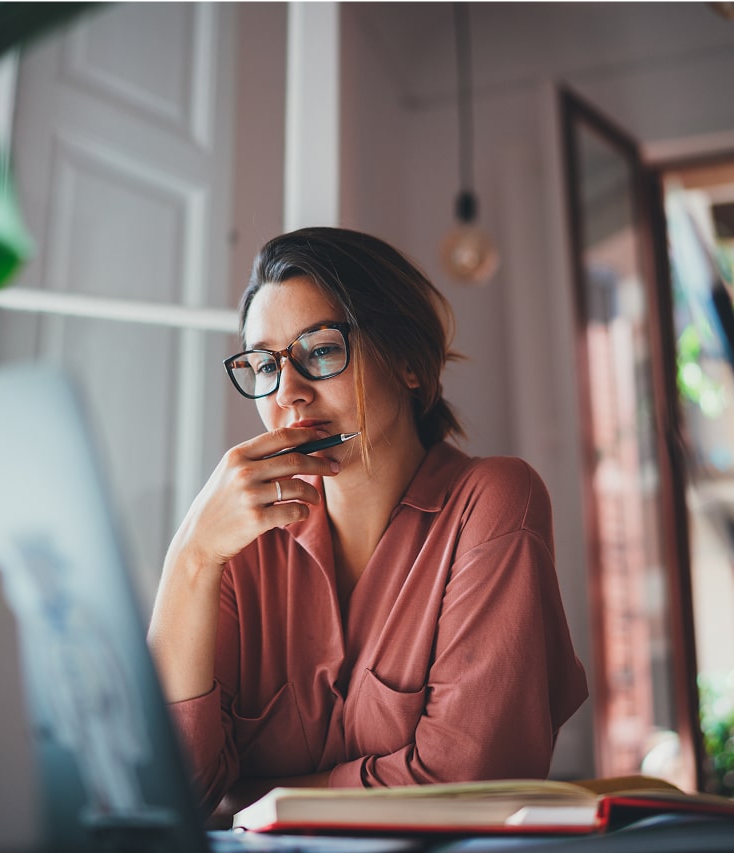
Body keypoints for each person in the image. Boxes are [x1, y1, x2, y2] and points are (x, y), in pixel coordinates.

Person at [147, 227, 587, 819]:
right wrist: (192, 557)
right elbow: (170, 794)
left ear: (407, 362)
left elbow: (465, 783)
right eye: (265, 364)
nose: (289, 394)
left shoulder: (492, 502)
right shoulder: (239, 543)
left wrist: (249, 799)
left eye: (321, 351)